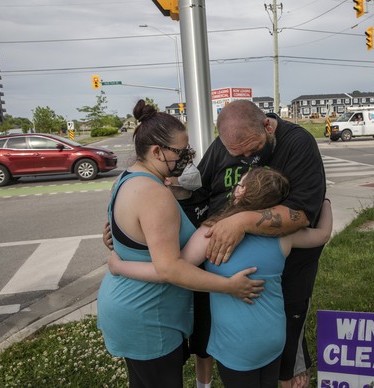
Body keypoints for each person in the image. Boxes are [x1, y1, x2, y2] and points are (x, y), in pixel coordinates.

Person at [103, 99, 327, 387]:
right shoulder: (157, 190)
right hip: (156, 312)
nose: (246, 157)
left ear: (267, 126)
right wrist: (129, 232)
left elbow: (303, 214)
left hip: (267, 279)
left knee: (285, 358)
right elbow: (199, 193)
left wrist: (240, 221)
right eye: (237, 153)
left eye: (252, 149)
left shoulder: (297, 143)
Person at [96, 100, 264, 388]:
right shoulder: (154, 194)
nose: (187, 158)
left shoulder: (125, 180)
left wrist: (120, 260)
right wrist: (230, 287)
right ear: (157, 151)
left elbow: (127, 234)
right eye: (181, 152)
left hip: (128, 309)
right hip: (149, 317)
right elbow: (170, 270)